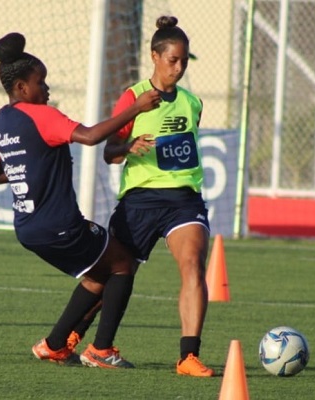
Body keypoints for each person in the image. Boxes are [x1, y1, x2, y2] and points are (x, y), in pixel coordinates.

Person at [0, 32, 160, 369]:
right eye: (41, 82)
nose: (46, 89)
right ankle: (102, 350)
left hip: (27, 228)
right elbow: (92, 136)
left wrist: (28, 166)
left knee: (97, 276)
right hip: (58, 224)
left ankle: (53, 345)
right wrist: (135, 108)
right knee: (123, 262)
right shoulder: (41, 115)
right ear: (21, 87)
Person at [68, 15, 215, 377]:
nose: (178, 68)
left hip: (184, 200)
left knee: (194, 264)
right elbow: (109, 152)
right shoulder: (133, 98)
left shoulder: (192, 103)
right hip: (140, 200)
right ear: (154, 56)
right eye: (172, 60)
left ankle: (188, 356)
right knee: (112, 275)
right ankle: (72, 337)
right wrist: (129, 146)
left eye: (183, 61)